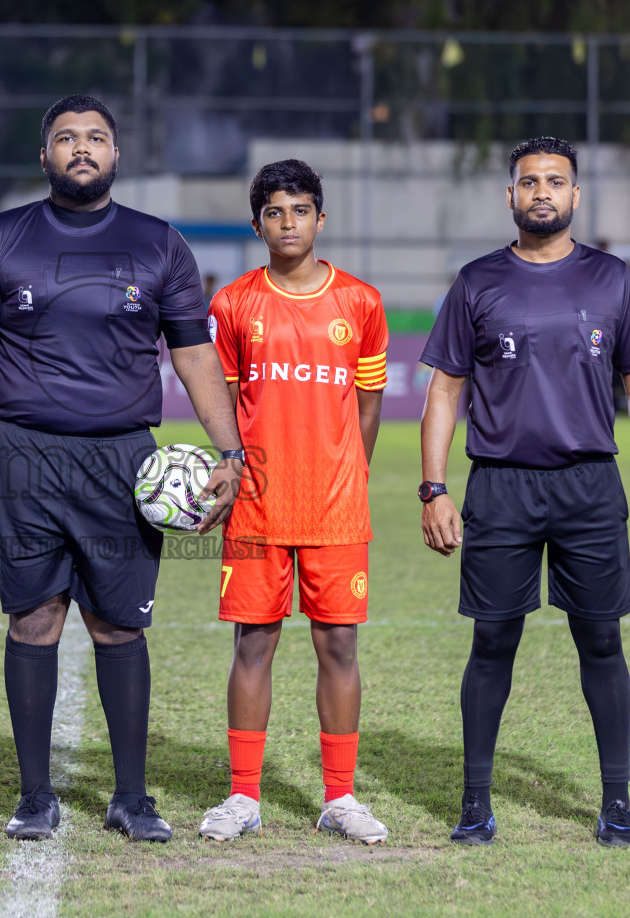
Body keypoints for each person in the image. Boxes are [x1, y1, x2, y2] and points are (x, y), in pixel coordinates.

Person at [0, 94, 244, 843]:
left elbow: (191, 353)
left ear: (116, 154)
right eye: (65, 138)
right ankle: (35, 796)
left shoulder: (159, 244)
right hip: (23, 454)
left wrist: (232, 450)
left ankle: (132, 796)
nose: (80, 148)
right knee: (35, 618)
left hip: (125, 459)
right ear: (43, 155)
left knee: (118, 627)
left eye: (95, 138)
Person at [419, 136, 630, 849]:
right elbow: (444, 390)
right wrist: (434, 488)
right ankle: (475, 803)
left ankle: (616, 803)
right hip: (499, 487)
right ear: (510, 196)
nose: (542, 193)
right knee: (492, 640)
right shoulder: (476, 283)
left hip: (591, 486)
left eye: (555, 182)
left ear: (575, 196)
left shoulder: (612, 280)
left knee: (601, 641)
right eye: (529, 182)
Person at [198, 160, 391, 845]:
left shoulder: (360, 303)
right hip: (256, 506)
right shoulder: (233, 303)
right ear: (258, 225)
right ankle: (243, 796)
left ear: (321, 218)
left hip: (336, 509)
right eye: (275, 213)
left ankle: (340, 797)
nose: (289, 223)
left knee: (339, 645)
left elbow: (368, 405)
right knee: (254, 644)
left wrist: (345, 473)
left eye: (301, 210)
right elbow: (220, 403)